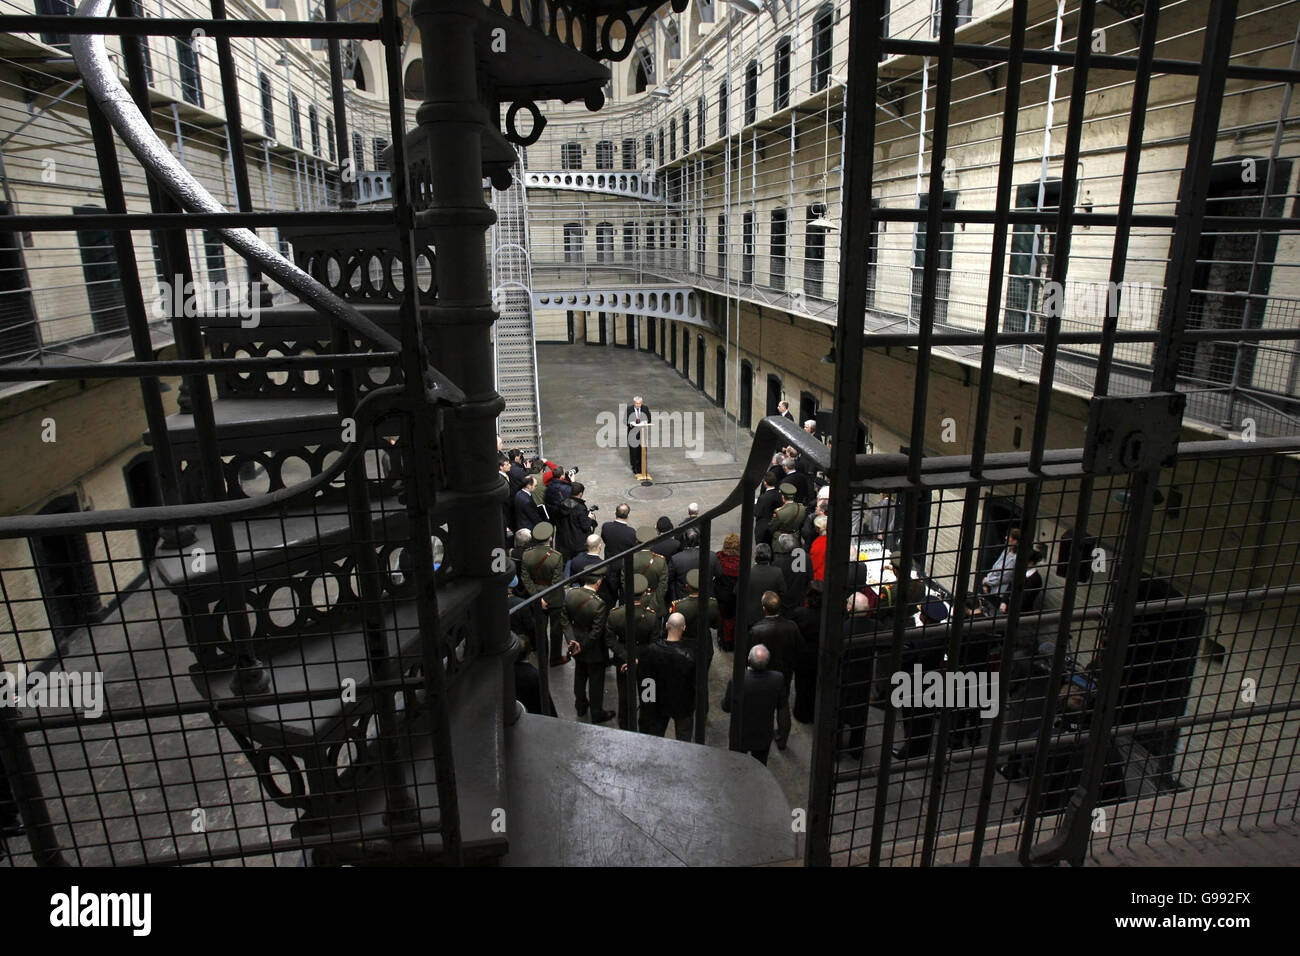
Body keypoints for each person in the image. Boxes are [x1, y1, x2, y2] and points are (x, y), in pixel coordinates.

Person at [749, 590, 803, 750]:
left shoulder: (757, 629)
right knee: (782, 704)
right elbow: (800, 648)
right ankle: (782, 739)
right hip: (784, 672)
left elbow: (749, 653)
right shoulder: (791, 627)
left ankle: (761, 737)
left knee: (762, 706)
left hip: (762, 672)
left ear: (764, 608)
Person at [607, 573, 662, 730]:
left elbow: (610, 640)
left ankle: (625, 726)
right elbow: (655, 643)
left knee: (625, 696)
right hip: (647, 662)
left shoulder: (615, 614)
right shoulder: (651, 616)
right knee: (648, 696)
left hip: (624, 659)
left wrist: (628, 658)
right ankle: (646, 726)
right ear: (645, 593)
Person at [565, 569, 616, 724]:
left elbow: (565, 620)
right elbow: (596, 632)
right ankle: (596, 712)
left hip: (575, 642)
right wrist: (583, 646)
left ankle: (580, 706)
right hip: (593, 649)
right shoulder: (599, 604)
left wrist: (572, 641)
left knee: (579, 676)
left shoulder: (571, 594)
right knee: (595, 682)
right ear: (598, 582)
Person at [637, 612, 697, 739]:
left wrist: (647, 707)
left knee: (655, 739)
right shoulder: (690, 656)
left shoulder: (651, 651)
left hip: (658, 704)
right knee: (683, 741)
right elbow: (695, 684)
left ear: (666, 625)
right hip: (682, 704)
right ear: (684, 628)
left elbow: (646, 682)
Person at [722, 644, 785, 764]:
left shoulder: (738, 679)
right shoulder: (777, 679)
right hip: (763, 734)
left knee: (737, 764)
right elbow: (781, 705)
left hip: (741, 733)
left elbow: (727, 707)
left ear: (749, 660)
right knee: (760, 765)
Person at [520, 521, 569, 668]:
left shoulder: (526, 555)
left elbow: (525, 578)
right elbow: (556, 581)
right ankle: (555, 658)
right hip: (554, 598)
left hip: (535, 596)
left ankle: (542, 655)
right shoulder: (556, 556)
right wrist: (546, 598)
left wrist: (537, 597)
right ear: (550, 538)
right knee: (556, 629)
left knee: (539, 629)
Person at [668, 567, 719, 668]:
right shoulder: (713, 603)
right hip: (705, 643)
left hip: (684, 645)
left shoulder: (678, 606)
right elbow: (715, 625)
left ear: (687, 587)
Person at [789, 580, 823, 724]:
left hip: (803, 656)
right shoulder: (827, 615)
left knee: (802, 685)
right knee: (816, 685)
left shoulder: (800, 613)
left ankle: (802, 713)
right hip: (820, 655)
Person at [666, 527, 719, 602]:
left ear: (685, 540)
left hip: (683, 600)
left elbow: (668, 579)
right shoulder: (712, 556)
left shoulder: (676, 559)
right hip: (707, 599)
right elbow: (719, 575)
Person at [555, 481, 597, 562]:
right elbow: (585, 526)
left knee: (567, 563)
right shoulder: (580, 508)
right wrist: (589, 518)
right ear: (580, 494)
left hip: (565, 541)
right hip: (578, 544)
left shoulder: (563, 503)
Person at [714, 533, 742, 651]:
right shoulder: (741, 562)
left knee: (723, 619)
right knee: (734, 619)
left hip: (721, 595)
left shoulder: (719, 558)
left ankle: (724, 642)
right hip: (736, 596)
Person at [746, 543, 786, 625]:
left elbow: (737, 592)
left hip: (751, 617)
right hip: (771, 616)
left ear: (756, 556)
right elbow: (783, 592)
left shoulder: (748, 573)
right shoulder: (777, 572)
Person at [981, 526, 1020, 608]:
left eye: (1009, 537)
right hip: (991, 587)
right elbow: (995, 566)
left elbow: (1005, 576)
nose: (1006, 538)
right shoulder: (1007, 550)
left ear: (1015, 541)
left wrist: (988, 581)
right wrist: (987, 580)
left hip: (1000, 592)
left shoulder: (1016, 558)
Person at [773, 532, 810, 615]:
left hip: (784, 605)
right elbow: (810, 579)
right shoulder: (806, 558)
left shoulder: (777, 564)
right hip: (801, 602)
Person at [768, 483, 807, 554]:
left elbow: (771, 528)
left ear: (783, 497)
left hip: (780, 545)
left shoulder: (779, 512)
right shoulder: (802, 508)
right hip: (795, 540)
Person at [753, 474, 782, 546]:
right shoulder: (779, 494)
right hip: (775, 525)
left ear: (765, 483)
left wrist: (755, 505)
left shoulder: (763, 497)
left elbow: (757, 513)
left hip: (764, 527)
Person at [627, 395, 651, 474]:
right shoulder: (629, 409)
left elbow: (649, 419)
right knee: (634, 451)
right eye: (636, 403)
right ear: (634, 403)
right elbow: (626, 421)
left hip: (642, 433)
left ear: (641, 403)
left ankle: (642, 467)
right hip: (632, 434)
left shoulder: (645, 408)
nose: (638, 405)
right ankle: (635, 467)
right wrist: (631, 423)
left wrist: (645, 422)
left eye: (639, 403)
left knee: (642, 450)